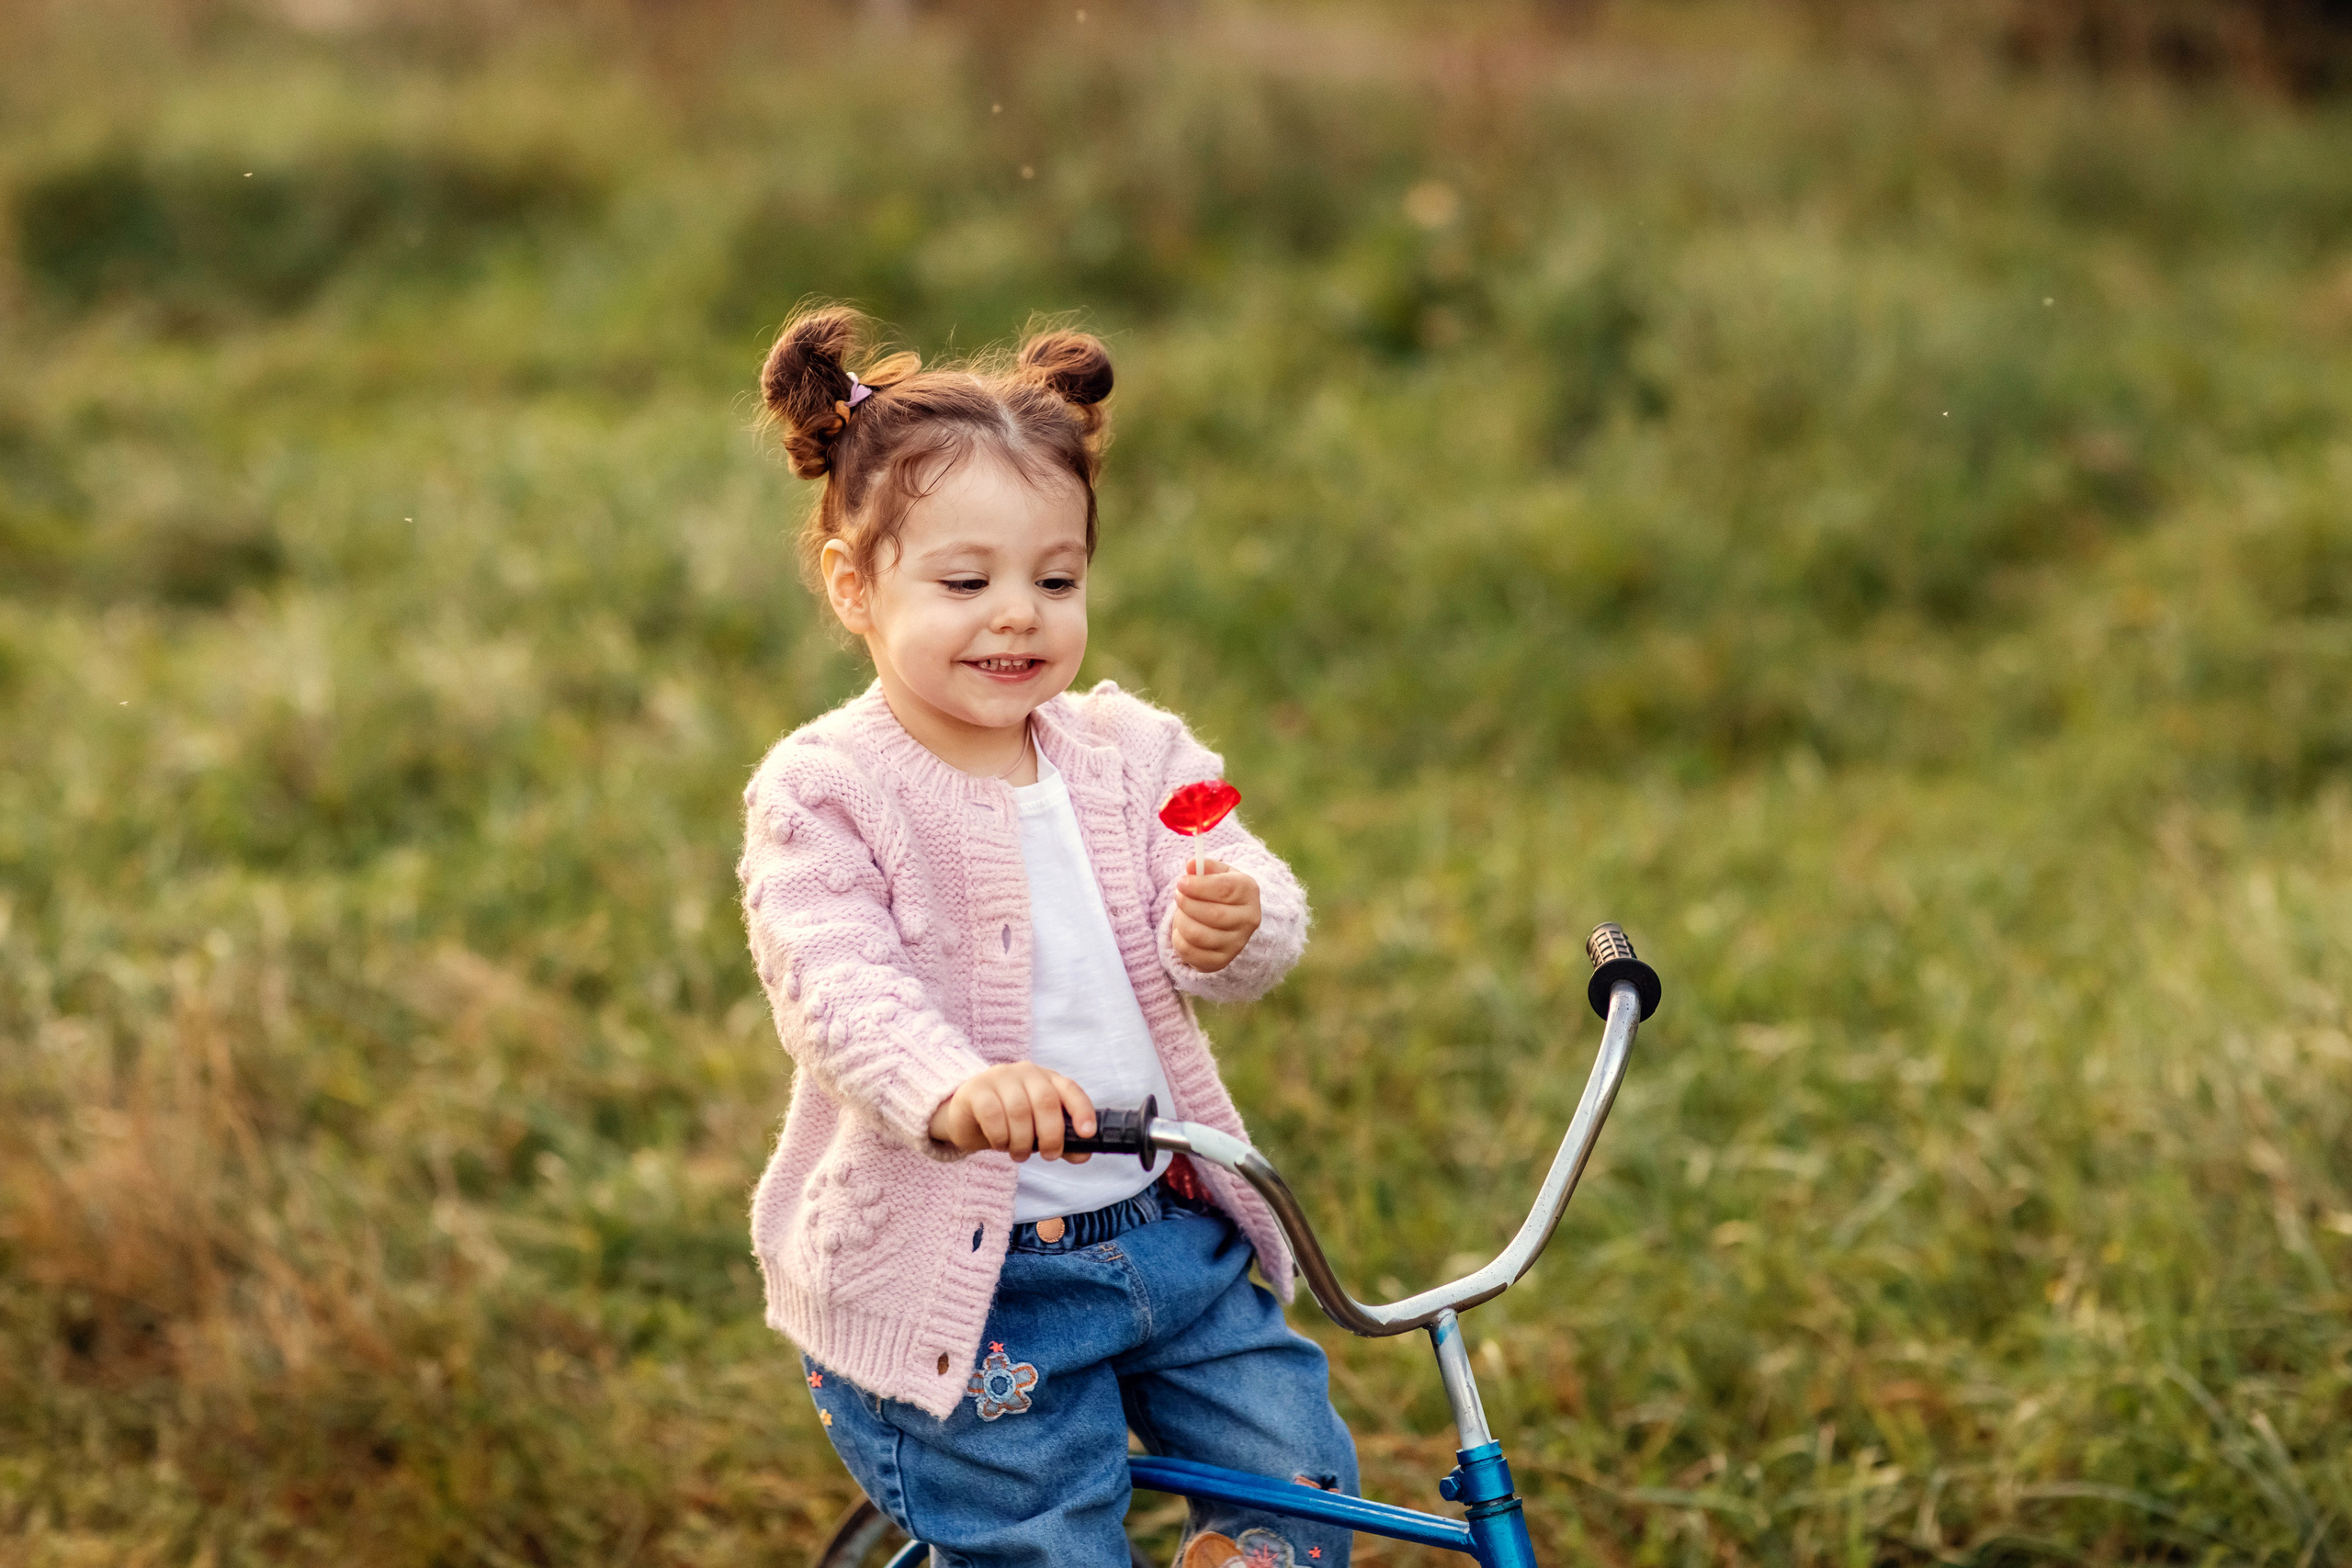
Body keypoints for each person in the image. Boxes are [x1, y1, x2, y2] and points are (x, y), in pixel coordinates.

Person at [739, 306, 1358, 1568]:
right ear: (857, 588)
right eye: (966, 584)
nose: (1018, 616)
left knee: (1303, 1492)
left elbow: (1234, 876)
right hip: (973, 1293)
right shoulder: (829, 789)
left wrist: (1233, 917)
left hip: (1166, 1228)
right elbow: (831, 983)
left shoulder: (1130, 753)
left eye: (1056, 580)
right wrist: (955, 1084)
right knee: (1047, 1543)